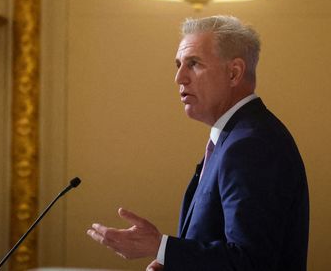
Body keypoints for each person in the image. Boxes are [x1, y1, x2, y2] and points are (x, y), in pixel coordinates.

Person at [86, 15, 309, 270]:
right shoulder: (234, 137)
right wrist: (170, 263)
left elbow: (250, 262)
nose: (179, 78)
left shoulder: (251, 145)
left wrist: (159, 247)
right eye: (178, 64)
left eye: (193, 64)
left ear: (234, 73)